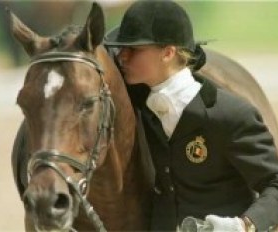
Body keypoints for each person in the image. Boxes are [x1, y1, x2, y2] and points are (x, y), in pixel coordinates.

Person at [103, 0, 278, 231]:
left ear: (167, 52)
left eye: (133, 49)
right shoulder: (138, 101)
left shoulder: (230, 115)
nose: (122, 56)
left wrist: (245, 225)